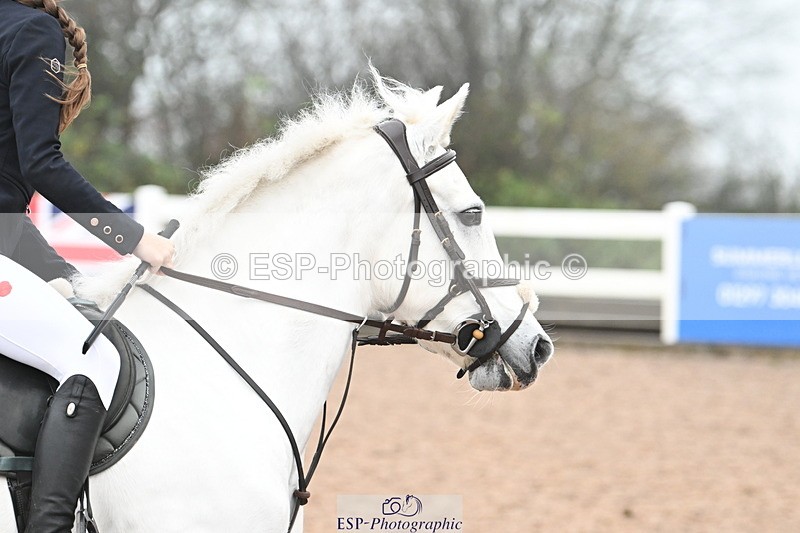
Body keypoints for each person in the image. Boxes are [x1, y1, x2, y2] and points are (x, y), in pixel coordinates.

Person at [0, 0, 174, 530]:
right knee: (94, 359)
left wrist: (63, 275)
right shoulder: (32, 30)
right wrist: (136, 238)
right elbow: (40, 163)